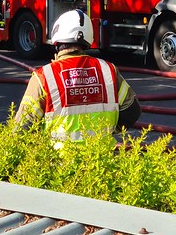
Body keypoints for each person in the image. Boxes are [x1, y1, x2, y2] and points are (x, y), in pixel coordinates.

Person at [14, 9, 141, 146]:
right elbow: (132, 111)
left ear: (57, 41)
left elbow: (22, 129)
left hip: (57, 158)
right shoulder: (108, 70)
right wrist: (109, 130)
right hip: (103, 157)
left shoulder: (44, 77)